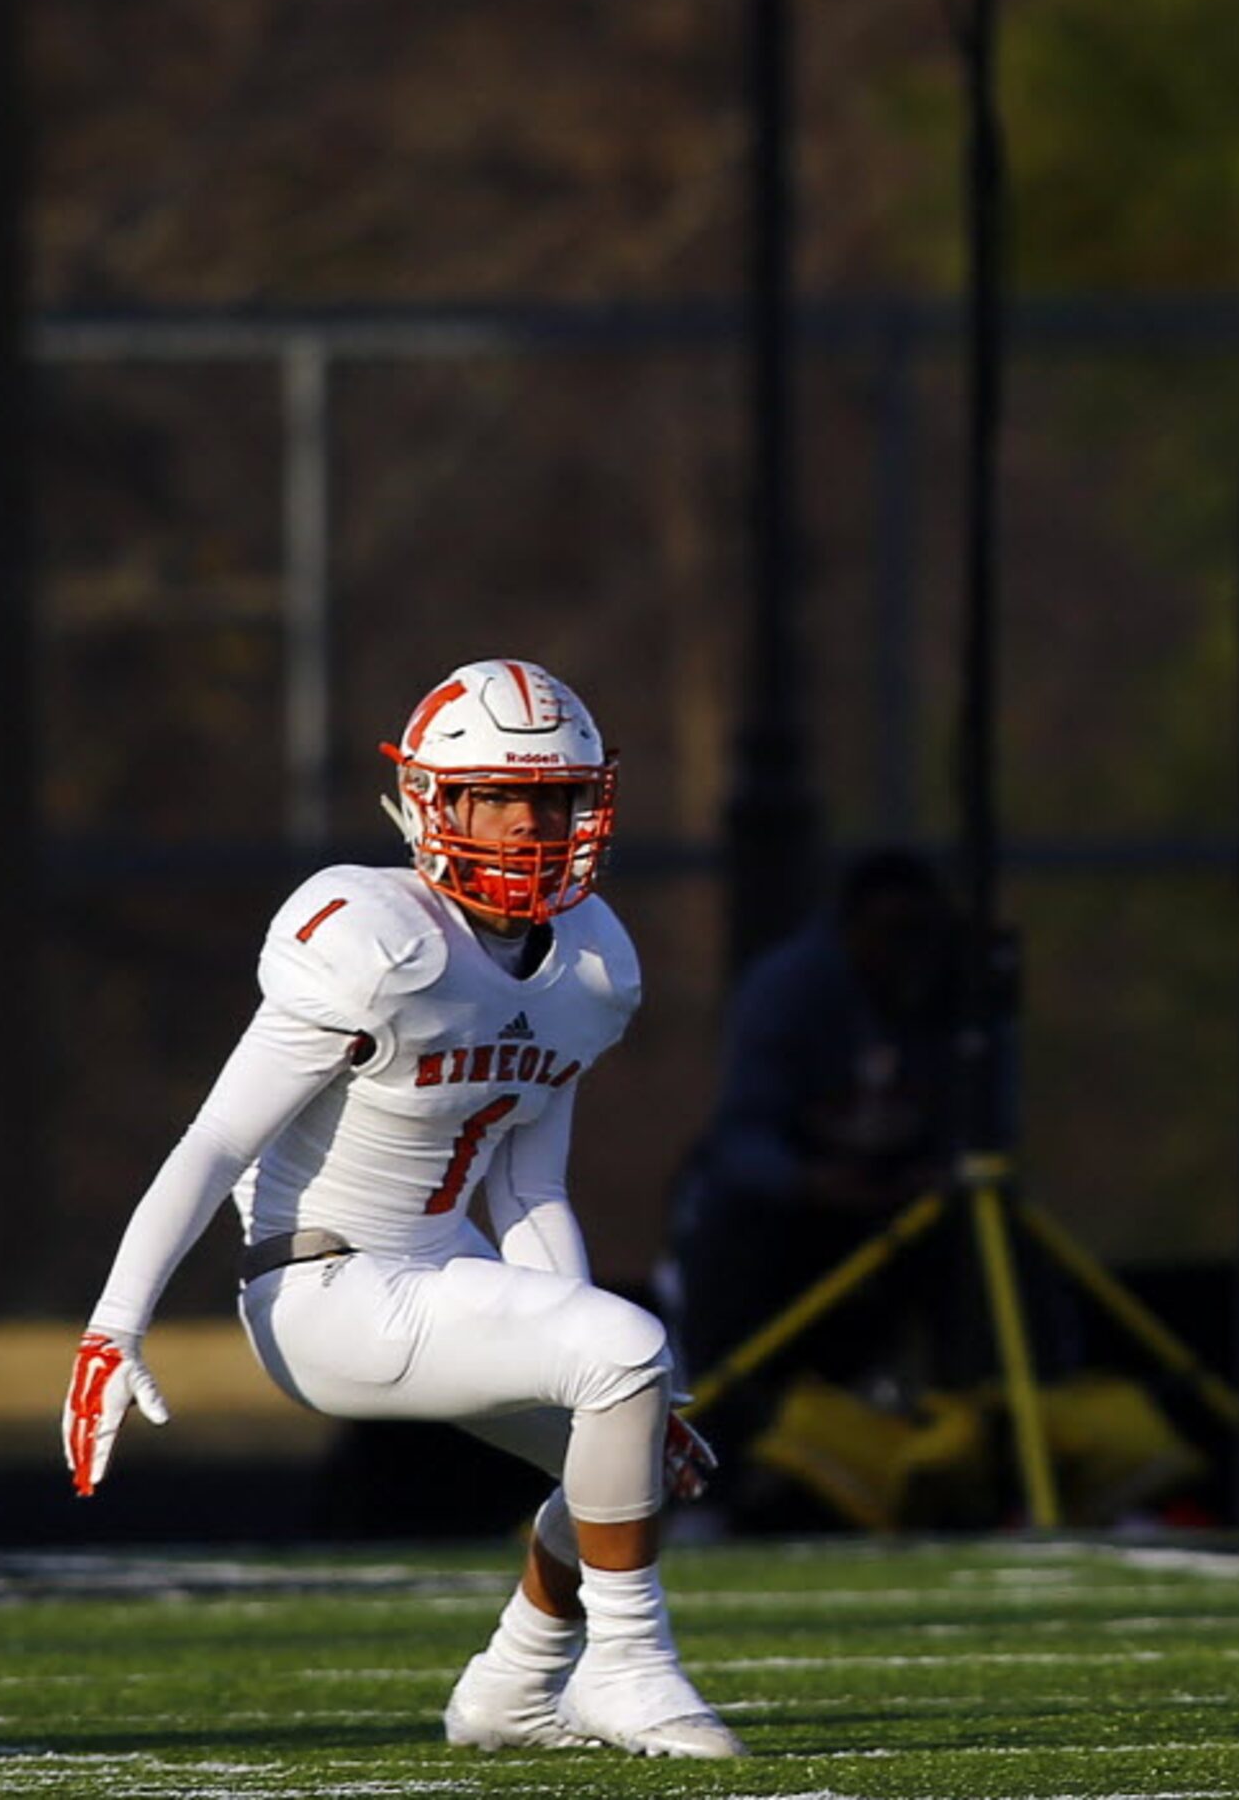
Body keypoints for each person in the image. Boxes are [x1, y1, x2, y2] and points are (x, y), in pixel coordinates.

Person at [61, 657, 743, 1760]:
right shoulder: (372, 939)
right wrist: (115, 1325)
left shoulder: (590, 964)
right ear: (435, 800)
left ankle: (511, 1690)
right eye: (501, 796)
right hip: (321, 1288)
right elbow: (216, 1141)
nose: (529, 824)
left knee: (628, 1427)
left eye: (553, 797)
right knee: (624, 1354)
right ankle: (629, 1669)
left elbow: (529, 1186)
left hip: (443, 1271)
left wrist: (606, 1392)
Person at [655, 847, 970, 1514]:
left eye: (921, 935)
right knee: (733, 1272)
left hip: (901, 1214)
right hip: (786, 1219)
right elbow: (742, 1138)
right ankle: (716, 1485)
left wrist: (933, 1176)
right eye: (890, 934)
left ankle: (981, 1456)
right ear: (850, 928)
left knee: (983, 1256)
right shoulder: (789, 989)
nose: (905, 955)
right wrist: (814, 1184)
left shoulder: (954, 991)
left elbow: (980, 1126)